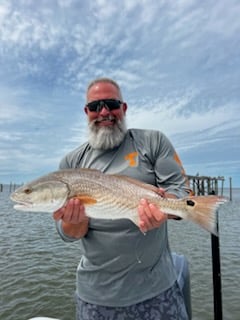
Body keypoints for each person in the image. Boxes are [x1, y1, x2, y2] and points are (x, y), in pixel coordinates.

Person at [53, 78, 191, 320]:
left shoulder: (153, 141)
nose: (104, 112)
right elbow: (67, 233)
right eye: (96, 106)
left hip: (158, 290)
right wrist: (73, 224)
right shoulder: (71, 164)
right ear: (86, 112)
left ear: (124, 108)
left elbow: (181, 191)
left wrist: (164, 210)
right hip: (96, 298)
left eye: (112, 104)